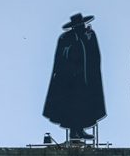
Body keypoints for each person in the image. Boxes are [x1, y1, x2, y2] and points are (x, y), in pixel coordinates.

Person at [43, 12, 106, 141]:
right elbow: (60, 59)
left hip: (85, 79)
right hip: (69, 81)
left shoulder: (89, 36)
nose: (82, 27)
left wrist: (89, 39)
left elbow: (94, 56)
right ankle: (74, 131)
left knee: (84, 105)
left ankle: (79, 130)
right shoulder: (66, 38)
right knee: (71, 106)